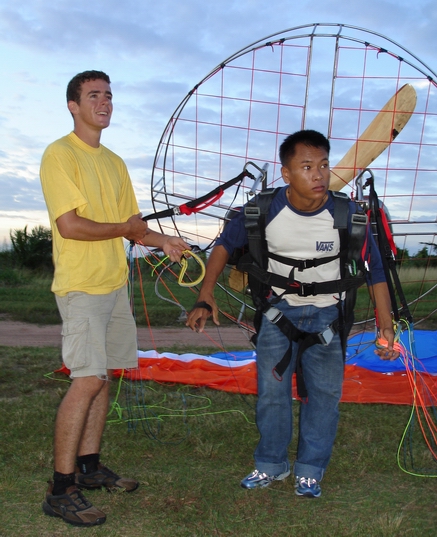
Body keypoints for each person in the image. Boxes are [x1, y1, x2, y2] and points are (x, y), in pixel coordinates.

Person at [186, 129, 399, 498]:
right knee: (272, 393)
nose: (318, 175)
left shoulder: (347, 214)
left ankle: (311, 471)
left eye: (323, 165)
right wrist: (206, 296)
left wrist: (386, 327)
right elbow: (223, 247)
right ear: (287, 174)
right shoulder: (262, 210)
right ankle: (270, 465)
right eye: (306, 167)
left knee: (324, 396)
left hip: (328, 318)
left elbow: (375, 271)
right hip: (278, 315)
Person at [40, 70, 190, 527]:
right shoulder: (59, 155)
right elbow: (71, 226)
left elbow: (134, 226)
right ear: (73, 105)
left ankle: (88, 469)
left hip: (113, 284)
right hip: (81, 286)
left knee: (104, 379)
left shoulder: (115, 162)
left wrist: (163, 242)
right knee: (86, 380)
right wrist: (126, 231)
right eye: (93, 96)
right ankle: (60, 488)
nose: (103, 102)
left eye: (108, 95)